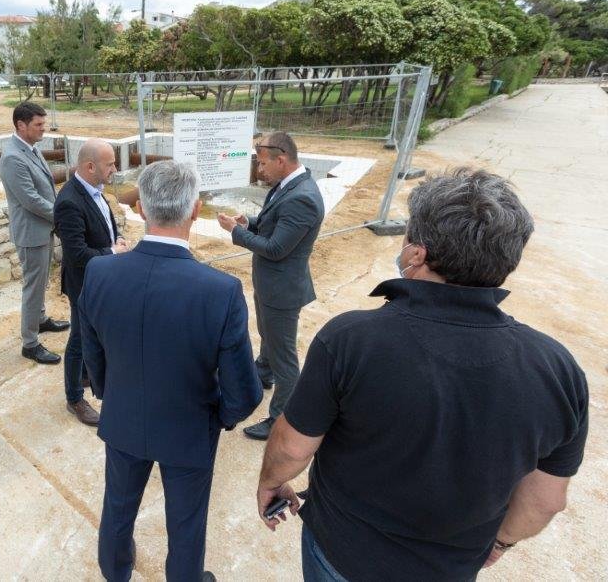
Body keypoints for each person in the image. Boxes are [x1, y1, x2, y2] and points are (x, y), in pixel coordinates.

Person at [256, 169, 588, 581]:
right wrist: (500, 543)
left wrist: (270, 482)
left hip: (344, 553)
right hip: (450, 567)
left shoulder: (350, 339)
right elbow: (546, 500)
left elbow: (292, 449)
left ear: (416, 254)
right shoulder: (559, 370)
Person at [80, 161, 263, 582]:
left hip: (124, 417)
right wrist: (217, 418)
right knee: (186, 524)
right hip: (189, 427)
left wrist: (111, 394)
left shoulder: (100, 271)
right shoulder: (221, 290)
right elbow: (244, 392)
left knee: (117, 508)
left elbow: (93, 350)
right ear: (195, 210)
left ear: (141, 209)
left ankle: (115, 573)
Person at [217, 131, 323, 441]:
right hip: (271, 285)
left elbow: (276, 248)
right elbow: (275, 221)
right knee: (268, 335)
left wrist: (236, 232)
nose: (260, 170)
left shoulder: (303, 198)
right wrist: (250, 222)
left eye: (263, 164)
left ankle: (280, 419)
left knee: (285, 359)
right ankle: (264, 371)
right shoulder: (288, 185)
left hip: (282, 291)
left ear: (282, 159)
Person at [54, 138, 128, 426]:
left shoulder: (94, 189)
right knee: (78, 339)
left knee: (93, 332)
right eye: (110, 164)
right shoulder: (68, 202)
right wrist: (113, 252)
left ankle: (86, 374)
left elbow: (103, 225)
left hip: (101, 279)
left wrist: (116, 239)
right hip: (83, 284)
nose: (115, 169)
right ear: (89, 166)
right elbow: (77, 255)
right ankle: (74, 398)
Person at [0, 101, 69, 365]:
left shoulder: (30, 148)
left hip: (42, 228)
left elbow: (45, 188)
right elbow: (30, 200)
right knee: (33, 286)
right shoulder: (13, 158)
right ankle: (30, 343)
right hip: (31, 233)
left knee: (40, 282)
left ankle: (39, 320)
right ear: (21, 125)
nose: (43, 128)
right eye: (38, 124)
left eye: (43, 123)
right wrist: (62, 215)